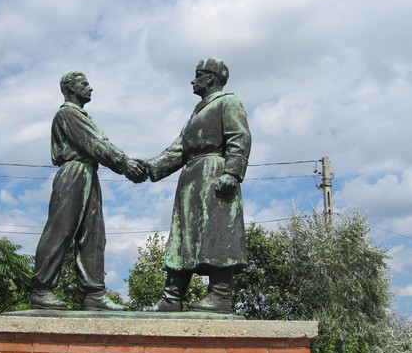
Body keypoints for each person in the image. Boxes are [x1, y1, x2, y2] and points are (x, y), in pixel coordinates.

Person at [31, 71, 146, 311]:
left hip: (88, 174)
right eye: (85, 84)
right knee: (60, 230)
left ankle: (93, 294)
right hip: (73, 173)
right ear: (70, 88)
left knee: (93, 234)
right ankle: (42, 290)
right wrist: (124, 163)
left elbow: (99, 145)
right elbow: (95, 144)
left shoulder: (81, 115)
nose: (90, 88)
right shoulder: (68, 114)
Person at [143, 58, 251, 313]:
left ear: (211, 77)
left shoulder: (228, 101)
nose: (193, 80)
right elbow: (179, 148)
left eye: (198, 75)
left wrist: (233, 174)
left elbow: (239, 137)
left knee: (218, 234)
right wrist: (148, 167)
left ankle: (220, 295)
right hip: (191, 178)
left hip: (214, 174)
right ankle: (172, 297)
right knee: (182, 237)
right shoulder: (196, 112)